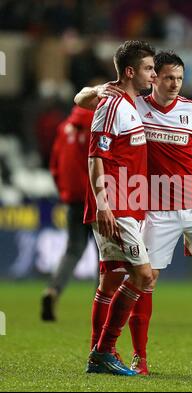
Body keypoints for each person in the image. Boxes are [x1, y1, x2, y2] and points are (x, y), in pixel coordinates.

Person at [75, 51, 192, 374]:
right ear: (153, 79)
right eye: (166, 77)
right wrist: (96, 90)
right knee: (145, 280)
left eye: (179, 78)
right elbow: (80, 100)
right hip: (155, 209)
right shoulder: (132, 105)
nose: (174, 84)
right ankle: (140, 357)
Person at [81, 40, 156, 376]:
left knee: (111, 278)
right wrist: (103, 205)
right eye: (148, 69)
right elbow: (96, 157)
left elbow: (81, 97)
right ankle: (104, 350)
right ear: (130, 71)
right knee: (142, 275)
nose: (153, 76)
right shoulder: (112, 106)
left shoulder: (124, 101)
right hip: (116, 205)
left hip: (127, 203)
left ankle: (98, 354)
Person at [41, 105, 94, 321]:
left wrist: (64, 191)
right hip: (98, 200)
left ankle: (52, 290)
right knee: (107, 257)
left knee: (73, 251)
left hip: (73, 200)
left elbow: (54, 165)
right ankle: (102, 309)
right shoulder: (99, 124)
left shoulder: (64, 127)